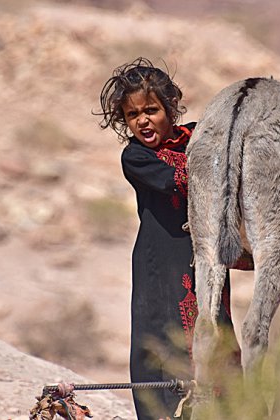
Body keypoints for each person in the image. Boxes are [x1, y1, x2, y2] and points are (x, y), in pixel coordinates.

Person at [97, 58, 238, 420]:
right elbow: (188, 178)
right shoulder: (137, 157)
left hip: (204, 259)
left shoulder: (196, 137)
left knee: (215, 330)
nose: (142, 120)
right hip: (160, 265)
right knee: (163, 340)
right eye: (132, 115)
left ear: (170, 108)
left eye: (151, 110)